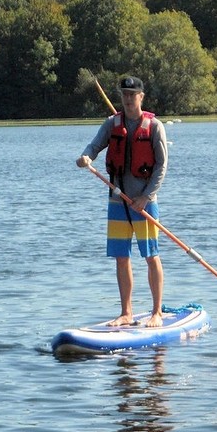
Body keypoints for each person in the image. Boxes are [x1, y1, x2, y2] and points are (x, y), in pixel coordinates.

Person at [76, 76, 168, 327]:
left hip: (144, 202)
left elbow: (161, 166)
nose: (128, 99)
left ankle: (156, 312)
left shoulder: (154, 126)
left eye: (132, 94)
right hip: (117, 202)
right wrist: (85, 157)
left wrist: (146, 196)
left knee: (151, 255)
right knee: (121, 257)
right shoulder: (111, 124)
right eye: (124, 94)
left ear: (141, 97)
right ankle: (126, 312)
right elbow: (94, 147)